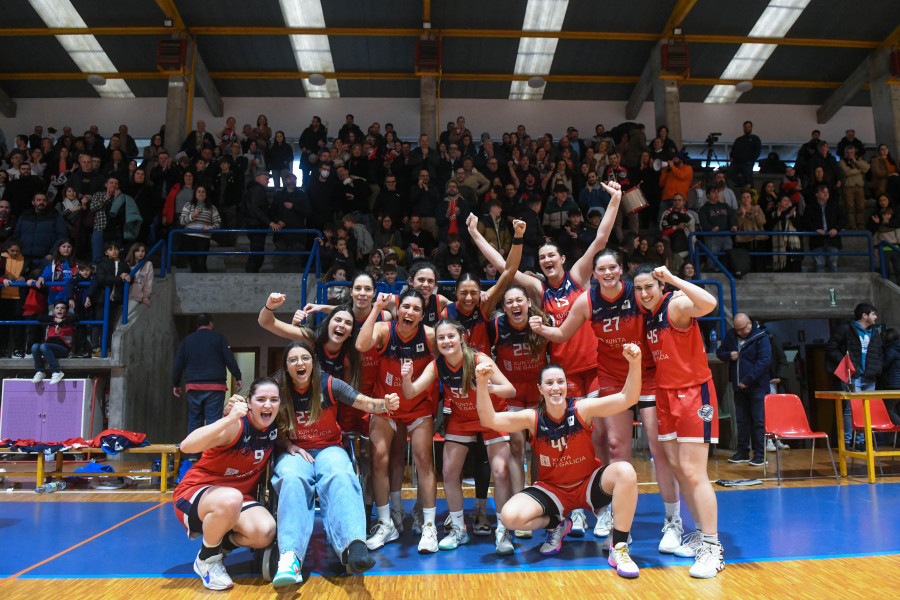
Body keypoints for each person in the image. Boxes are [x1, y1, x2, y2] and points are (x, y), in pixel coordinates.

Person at [530, 249, 681, 551]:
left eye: (613, 267)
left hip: (649, 374)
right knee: (615, 446)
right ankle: (616, 515)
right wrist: (541, 328)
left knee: (659, 448)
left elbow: (665, 305)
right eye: (602, 269)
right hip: (612, 377)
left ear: (621, 270)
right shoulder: (587, 300)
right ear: (594, 274)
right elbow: (561, 334)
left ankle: (673, 521)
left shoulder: (636, 293)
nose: (608, 273)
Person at [474, 347, 643, 578]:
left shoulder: (582, 408)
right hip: (553, 492)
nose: (556, 388)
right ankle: (557, 523)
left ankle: (620, 547)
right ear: (540, 389)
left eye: (560, 382)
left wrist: (635, 363)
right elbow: (489, 419)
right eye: (550, 383)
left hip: (587, 485)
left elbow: (628, 398)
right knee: (509, 517)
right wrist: (482, 384)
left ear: (567, 385)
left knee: (625, 471)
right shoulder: (532, 418)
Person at [266, 341, 399, 587]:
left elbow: (362, 401)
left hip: (329, 448)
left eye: (304, 358)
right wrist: (285, 444)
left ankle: (354, 546)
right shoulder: (275, 387)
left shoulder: (328, 383)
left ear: (313, 363)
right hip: (295, 450)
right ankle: (290, 556)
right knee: (292, 479)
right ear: (285, 367)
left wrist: (385, 404)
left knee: (341, 474)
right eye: (293, 360)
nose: (299, 363)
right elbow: (256, 411)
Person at [633, 264, 723, 578]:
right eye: (639, 288)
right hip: (666, 396)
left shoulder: (675, 303)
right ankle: (699, 533)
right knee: (678, 468)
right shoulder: (649, 316)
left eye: (649, 287)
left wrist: (672, 279)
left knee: (694, 472)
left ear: (659, 287)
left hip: (694, 394)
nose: (644, 293)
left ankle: (713, 548)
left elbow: (710, 304)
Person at [402, 319, 517, 554]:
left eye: (450, 336)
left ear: (462, 337)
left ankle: (504, 530)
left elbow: (510, 390)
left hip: (491, 416)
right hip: (462, 419)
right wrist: (406, 378)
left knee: (501, 470)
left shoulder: (479, 360)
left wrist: (486, 386)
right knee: (449, 472)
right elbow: (411, 392)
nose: (446, 341)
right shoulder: (437, 366)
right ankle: (458, 529)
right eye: (441, 338)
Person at [172, 378, 281, 591]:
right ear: (248, 402)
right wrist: (228, 418)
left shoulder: (275, 427)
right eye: (261, 399)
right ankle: (208, 560)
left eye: (274, 399)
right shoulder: (236, 427)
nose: (267, 405)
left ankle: (219, 546)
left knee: (265, 532)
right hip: (195, 494)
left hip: (238, 499)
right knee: (231, 497)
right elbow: (186, 446)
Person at [356, 289, 438, 553]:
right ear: (398, 309)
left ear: (422, 315)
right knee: (379, 459)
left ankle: (429, 526)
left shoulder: (429, 335)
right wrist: (376, 307)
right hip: (385, 405)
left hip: (418, 406)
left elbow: (446, 361)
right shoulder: (383, 328)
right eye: (405, 307)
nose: (409, 312)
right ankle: (385, 523)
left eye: (416, 309)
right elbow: (360, 345)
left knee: (424, 461)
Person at [172, 313, 243, 437]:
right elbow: (229, 359)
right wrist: (238, 377)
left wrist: (175, 384)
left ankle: (193, 455)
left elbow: (178, 364)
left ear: (197, 325)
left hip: (193, 386)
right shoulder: (219, 338)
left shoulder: (187, 341)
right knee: (214, 422)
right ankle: (212, 453)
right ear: (211, 324)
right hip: (215, 387)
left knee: (194, 420)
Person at [716, 313, 772, 466]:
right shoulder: (731, 335)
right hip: (738, 387)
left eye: (742, 330)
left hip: (757, 387)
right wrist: (728, 355)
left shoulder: (762, 337)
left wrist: (747, 380)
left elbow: (764, 362)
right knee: (741, 421)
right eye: (737, 330)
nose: (739, 333)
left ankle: (760, 454)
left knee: (758, 421)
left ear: (749, 324)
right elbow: (719, 353)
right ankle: (743, 452)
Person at [825, 303, 882, 446]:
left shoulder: (874, 332)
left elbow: (879, 354)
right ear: (865, 315)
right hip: (851, 376)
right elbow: (831, 348)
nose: (876, 317)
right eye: (873, 314)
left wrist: (877, 369)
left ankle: (861, 441)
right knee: (851, 409)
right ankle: (848, 441)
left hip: (869, 376)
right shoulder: (846, 329)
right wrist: (845, 362)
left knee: (867, 409)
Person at [30, 300, 78, 385]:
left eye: (62, 308)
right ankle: (40, 371)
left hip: (63, 349)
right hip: (47, 348)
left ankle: (56, 371)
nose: (59, 310)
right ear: (54, 310)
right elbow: (38, 317)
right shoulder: (51, 320)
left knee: (44, 346)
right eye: (57, 308)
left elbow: (76, 317)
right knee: (35, 346)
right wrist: (55, 319)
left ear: (66, 311)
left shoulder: (69, 320)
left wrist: (60, 324)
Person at [801, 184, 846, 273]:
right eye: (823, 192)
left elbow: (843, 219)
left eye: (827, 192)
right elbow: (806, 222)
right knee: (819, 265)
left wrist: (836, 229)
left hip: (832, 239)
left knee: (833, 264)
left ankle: (833, 287)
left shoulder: (835, 206)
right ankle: (821, 286)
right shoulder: (810, 207)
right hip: (817, 239)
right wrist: (815, 229)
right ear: (817, 194)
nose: (826, 194)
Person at [179, 185, 221, 273]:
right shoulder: (188, 205)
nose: (201, 193)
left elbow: (217, 223)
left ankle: (204, 283)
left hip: (203, 237)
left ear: (206, 194)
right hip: (189, 237)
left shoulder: (212, 208)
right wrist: (193, 215)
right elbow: (182, 221)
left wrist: (210, 227)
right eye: (198, 191)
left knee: (201, 262)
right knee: (193, 263)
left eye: (203, 191)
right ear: (195, 194)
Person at [729, 121, 761, 188]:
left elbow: (757, 151)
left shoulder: (755, 138)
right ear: (743, 128)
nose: (747, 129)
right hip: (736, 162)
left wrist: (751, 160)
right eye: (745, 127)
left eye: (748, 127)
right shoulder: (739, 139)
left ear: (751, 128)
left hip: (747, 163)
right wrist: (731, 157)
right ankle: (743, 184)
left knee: (749, 179)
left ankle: (750, 192)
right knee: (730, 174)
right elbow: (733, 149)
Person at [125, 242, 153, 314]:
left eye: (142, 251)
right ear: (133, 252)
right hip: (125, 296)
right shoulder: (126, 264)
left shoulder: (148, 264)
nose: (140, 253)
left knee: (125, 316)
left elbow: (148, 283)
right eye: (137, 251)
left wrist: (145, 297)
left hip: (136, 297)